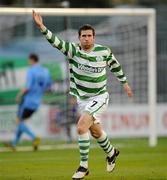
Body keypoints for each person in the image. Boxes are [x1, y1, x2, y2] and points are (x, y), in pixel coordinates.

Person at [32, 10, 133, 179]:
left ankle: (83, 166)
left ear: (94, 37)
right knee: (95, 132)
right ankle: (112, 152)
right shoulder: (73, 51)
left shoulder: (104, 52)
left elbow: (115, 66)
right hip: (82, 99)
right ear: (79, 38)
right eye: (83, 36)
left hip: (100, 97)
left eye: (89, 36)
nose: (86, 38)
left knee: (80, 127)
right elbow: (55, 42)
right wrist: (42, 26)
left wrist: (125, 83)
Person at [6, 54, 51, 151]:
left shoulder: (31, 71)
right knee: (21, 121)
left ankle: (35, 138)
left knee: (19, 122)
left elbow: (28, 87)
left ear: (31, 60)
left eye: (28, 60)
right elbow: (48, 85)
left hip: (28, 101)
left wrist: (19, 95)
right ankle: (14, 144)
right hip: (37, 101)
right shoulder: (45, 71)